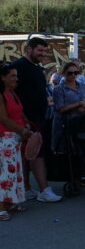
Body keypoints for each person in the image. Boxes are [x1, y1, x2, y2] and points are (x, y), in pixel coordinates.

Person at [12, 38, 62, 202]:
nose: (43, 54)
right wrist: (23, 118)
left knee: (27, 154)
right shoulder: (18, 67)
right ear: (29, 49)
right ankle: (44, 190)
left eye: (45, 51)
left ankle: (26, 188)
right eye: (40, 51)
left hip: (39, 117)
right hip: (27, 119)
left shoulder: (36, 69)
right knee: (36, 153)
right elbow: (13, 93)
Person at [0, 63, 28, 221]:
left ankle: (11, 202)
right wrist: (22, 130)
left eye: (16, 75)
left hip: (15, 137)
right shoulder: (1, 95)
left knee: (16, 171)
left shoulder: (12, 93)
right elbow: (3, 118)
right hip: (5, 137)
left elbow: (20, 113)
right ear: (3, 77)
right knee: (6, 173)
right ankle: (0, 206)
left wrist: (27, 125)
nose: (16, 79)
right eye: (12, 76)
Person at [52, 62, 85, 154]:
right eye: (70, 73)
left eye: (76, 73)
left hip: (81, 125)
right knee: (65, 153)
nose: (73, 75)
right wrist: (79, 103)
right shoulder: (59, 89)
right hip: (64, 126)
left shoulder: (83, 86)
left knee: (83, 151)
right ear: (63, 74)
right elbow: (60, 108)